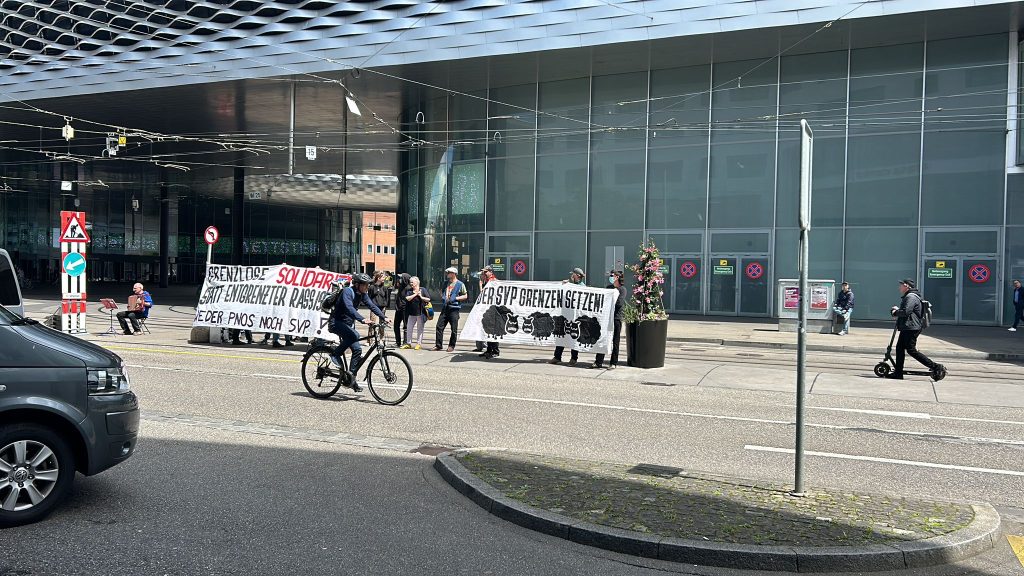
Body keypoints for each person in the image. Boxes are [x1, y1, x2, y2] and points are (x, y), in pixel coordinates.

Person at [328, 273, 388, 391]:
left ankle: (350, 379)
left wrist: (384, 317)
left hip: (347, 325)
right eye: (365, 285)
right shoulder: (347, 292)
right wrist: (362, 319)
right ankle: (335, 354)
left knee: (357, 350)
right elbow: (349, 308)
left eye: (367, 285)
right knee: (355, 335)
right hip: (336, 323)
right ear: (357, 284)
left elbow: (372, 306)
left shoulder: (362, 294)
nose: (367, 287)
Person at [888, 278, 944, 380]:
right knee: (899, 348)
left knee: (911, 350)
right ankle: (898, 373)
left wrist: (895, 312)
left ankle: (936, 366)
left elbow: (906, 312)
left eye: (901, 285)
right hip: (908, 327)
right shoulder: (910, 296)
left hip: (911, 327)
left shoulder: (911, 297)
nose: (899, 287)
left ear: (906, 286)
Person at [550, 267, 586, 366]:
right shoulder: (569, 285)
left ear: (577, 276)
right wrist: (563, 286)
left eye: (573, 274)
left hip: (575, 317)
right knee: (561, 335)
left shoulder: (582, 287)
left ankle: (574, 358)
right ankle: (557, 356)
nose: (571, 276)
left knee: (574, 336)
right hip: (565, 316)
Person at [592, 270, 626, 369]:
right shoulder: (608, 288)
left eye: (613, 276)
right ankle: (598, 362)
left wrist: (610, 302)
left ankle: (613, 362)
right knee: (603, 339)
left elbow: (619, 303)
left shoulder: (622, 289)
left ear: (617, 277)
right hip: (606, 318)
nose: (611, 277)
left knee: (615, 341)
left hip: (616, 318)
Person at [434, 266, 468, 352]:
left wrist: (456, 298)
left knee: (454, 329)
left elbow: (465, 295)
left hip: (454, 309)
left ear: (454, 274)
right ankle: (438, 345)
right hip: (445, 308)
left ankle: (451, 346)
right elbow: (442, 291)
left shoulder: (460, 284)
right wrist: (442, 296)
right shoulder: (446, 283)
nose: (447, 274)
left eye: (449, 273)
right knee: (439, 326)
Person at [477, 266, 501, 359]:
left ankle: (495, 350)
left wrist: (481, 285)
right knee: (487, 331)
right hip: (487, 311)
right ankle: (489, 350)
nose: (484, 274)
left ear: (490, 272)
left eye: (485, 272)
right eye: (483, 272)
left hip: (493, 310)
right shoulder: (486, 281)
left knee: (492, 331)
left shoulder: (494, 281)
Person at [401, 276, 430, 350]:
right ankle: (408, 343)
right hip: (411, 313)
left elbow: (428, 299)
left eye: (412, 282)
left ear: (417, 282)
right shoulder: (409, 291)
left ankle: (418, 343)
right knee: (409, 327)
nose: (411, 284)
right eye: (410, 282)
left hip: (420, 313)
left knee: (420, 328)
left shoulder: (423, 290)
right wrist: (415, 294)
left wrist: (421, 296)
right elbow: (407, 298)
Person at [393, 273, 411, 346]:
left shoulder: (408, 288)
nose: (399, 280)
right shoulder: (400, 287)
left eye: (401, 278)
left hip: (405, 309)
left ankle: (405, 342)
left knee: (405, 326)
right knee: (396, 325)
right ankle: (398, 341)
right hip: (398, 308)